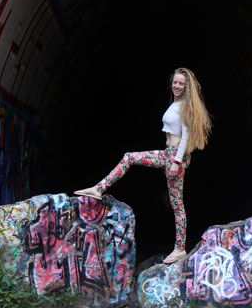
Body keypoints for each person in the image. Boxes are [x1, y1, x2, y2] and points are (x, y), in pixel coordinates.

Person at [74, 67, 212, 264]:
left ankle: (180, 248)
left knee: (177, 205)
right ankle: (98, 188)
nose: (177, 86)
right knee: (129, 157)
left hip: (175, 157)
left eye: (181, 83)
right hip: (167, 154)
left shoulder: (185, 107)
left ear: (187, 86)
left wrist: (176, 162)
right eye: (175, 82)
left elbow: (186, 137)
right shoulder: (176, 103)